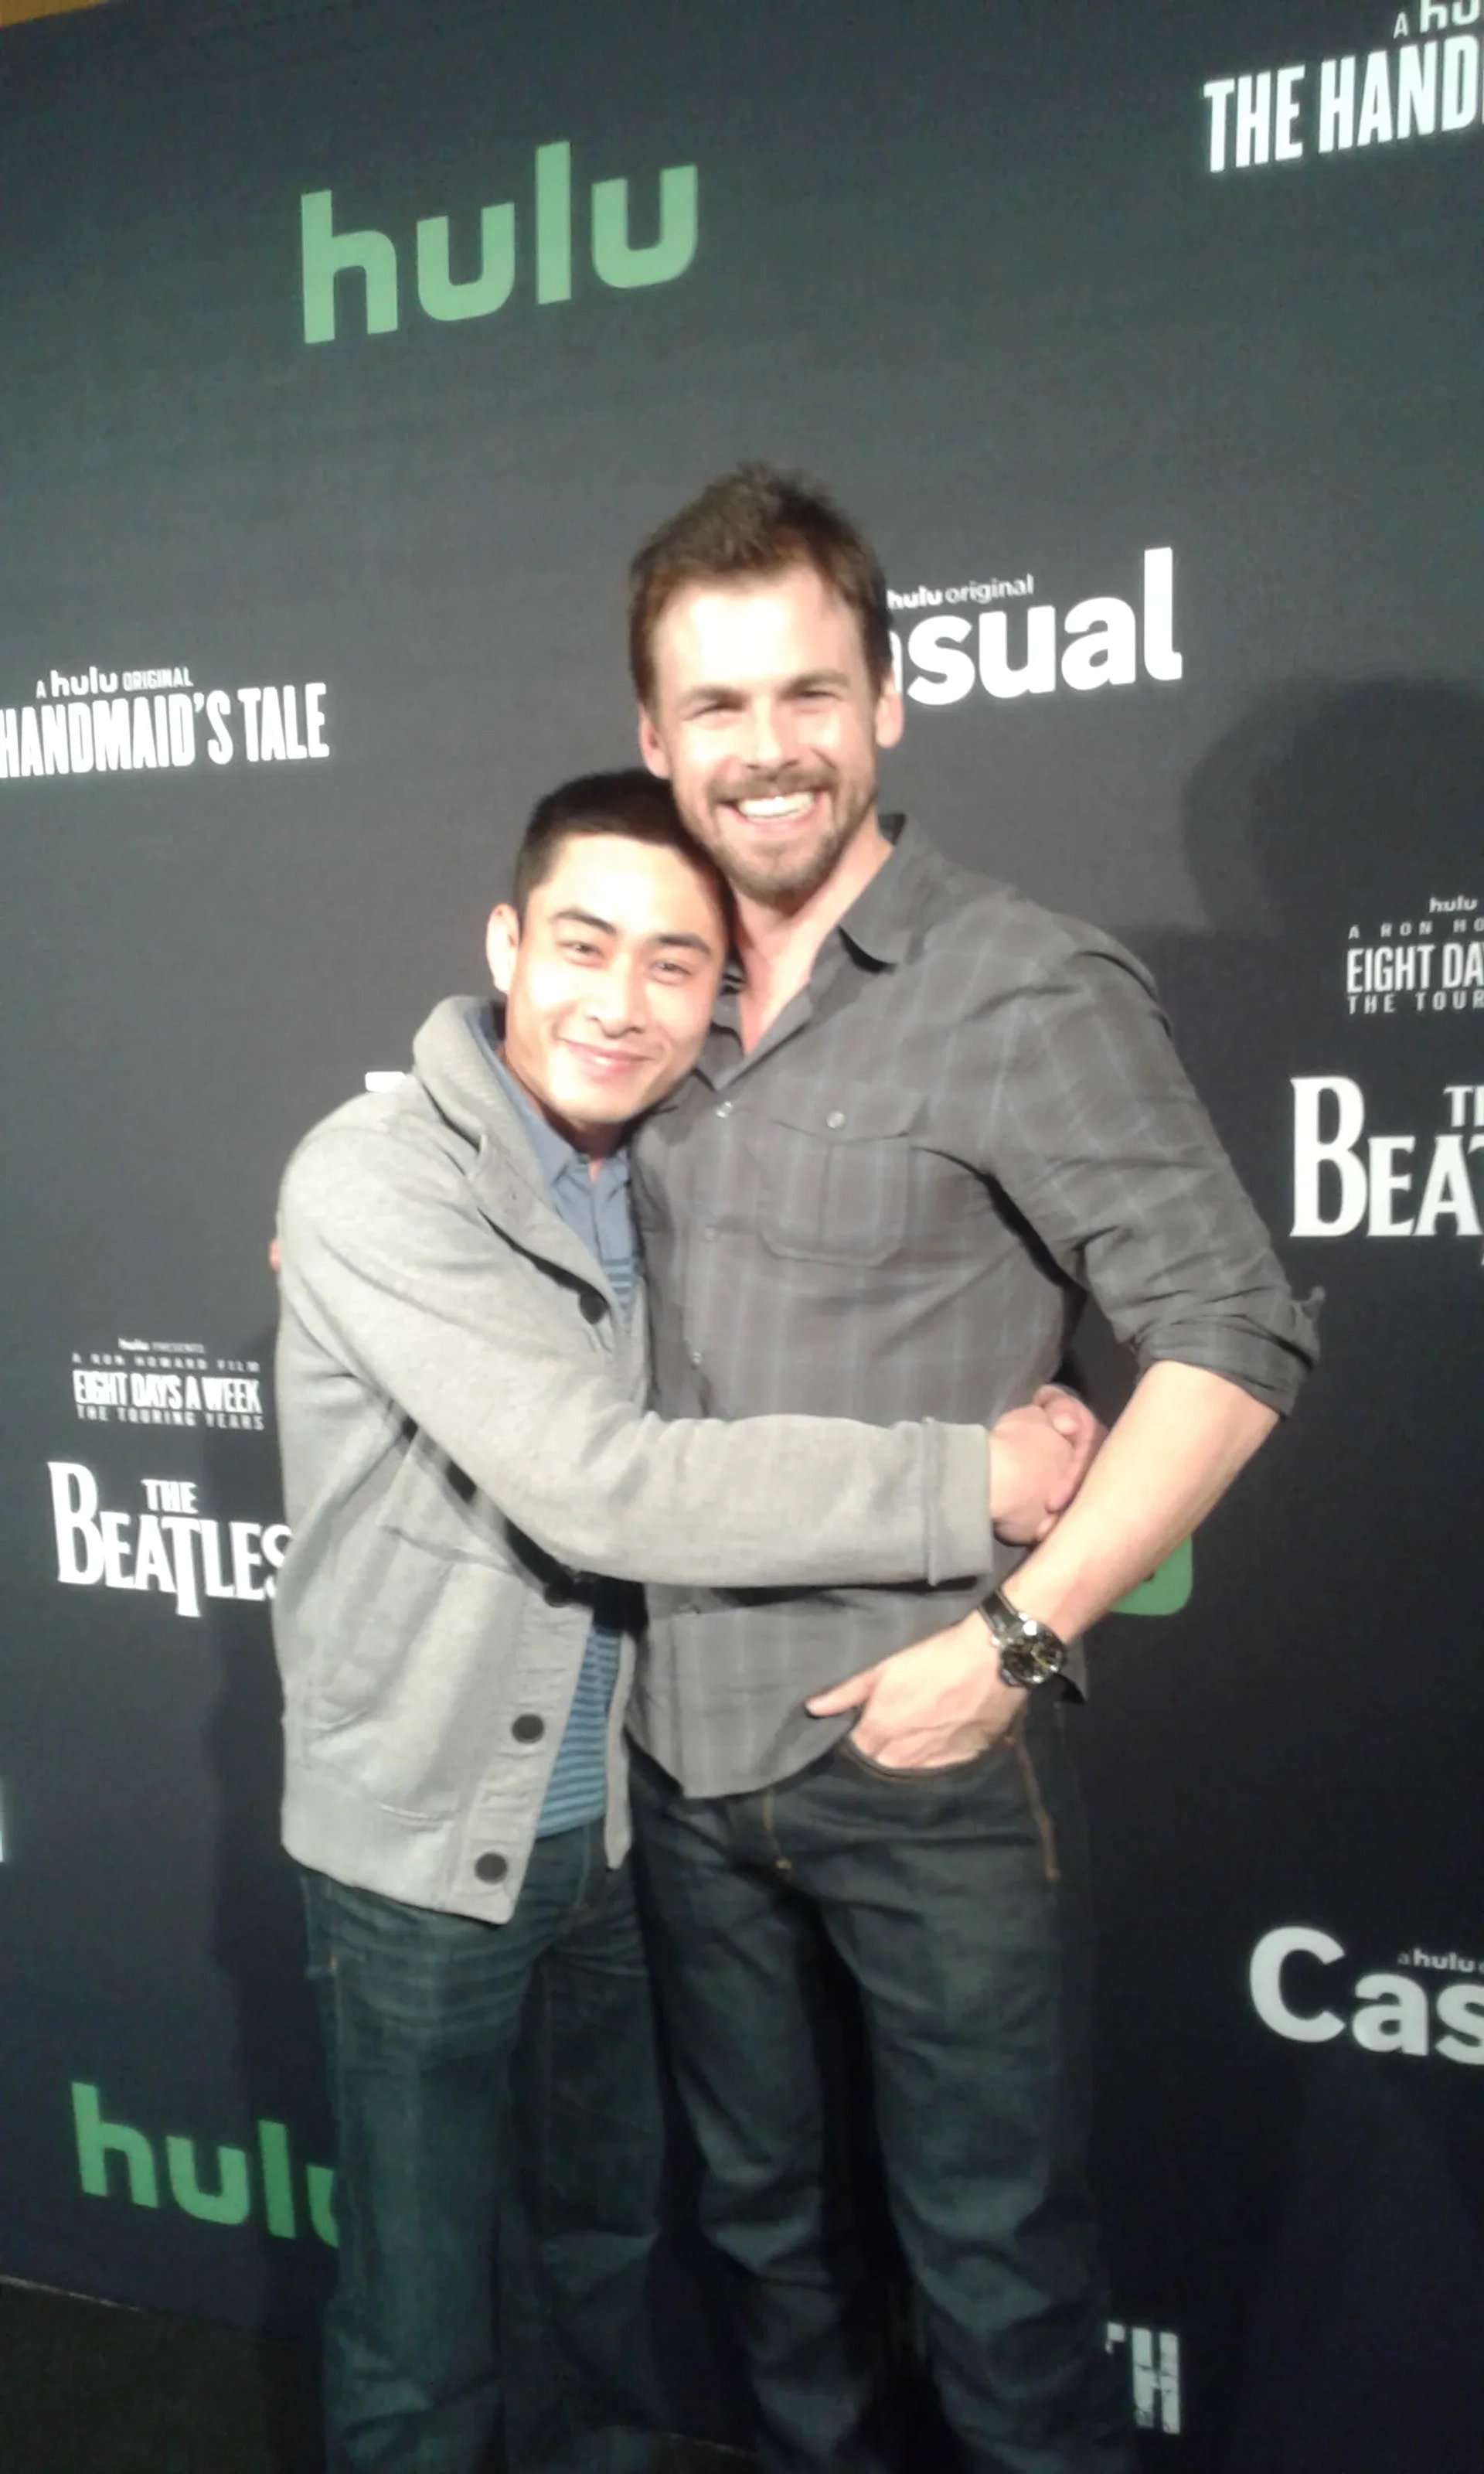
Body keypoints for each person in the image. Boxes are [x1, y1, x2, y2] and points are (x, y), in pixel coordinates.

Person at [270, 768, 1100, 2474]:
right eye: (584, 945)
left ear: (722, 993)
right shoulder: (374, 1172)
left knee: (595, 2276)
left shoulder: (661, 1173)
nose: (621, 1000)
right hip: (422, 1854)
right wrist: (974, 1480)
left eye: (676, 964)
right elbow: (606, 1483)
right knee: (422, 2336)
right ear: (506, 941)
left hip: (618, 1845)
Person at [623, 465, 1321, 2474]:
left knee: (1004, 2323)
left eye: (810, 696)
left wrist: (1015, 1644)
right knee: (776, 2281)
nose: (769, 752)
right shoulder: (645, 999)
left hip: (923, 1781)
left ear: (888, 703)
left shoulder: (1019, 985)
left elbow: (1234, 1333)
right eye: (722, 710)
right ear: (659, 740)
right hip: (681, 1770)